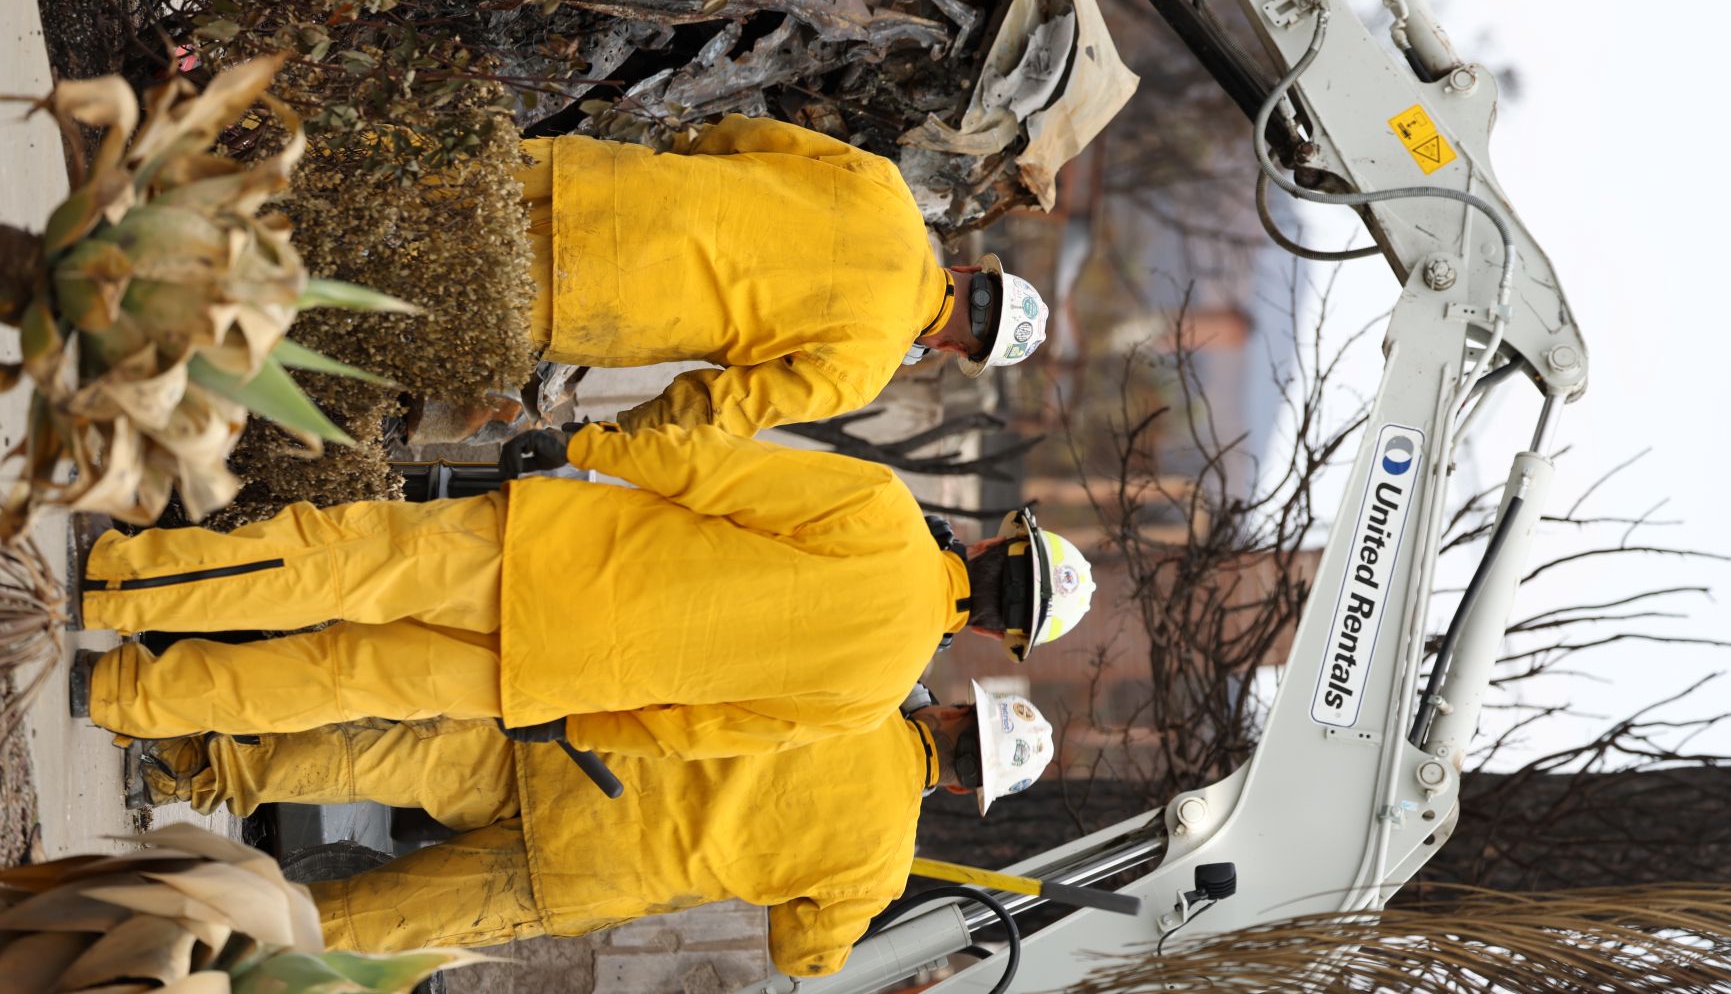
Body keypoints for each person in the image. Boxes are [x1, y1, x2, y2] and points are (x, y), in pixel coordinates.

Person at [72, 423, 1093, 753]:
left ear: (1005, 544)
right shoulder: (870, 699)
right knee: (338, 680)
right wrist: (578, 726)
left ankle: (115, 590)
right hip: (558, 672)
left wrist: (585, 442)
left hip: (549, 554)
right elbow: (698, 735)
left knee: (333, 562)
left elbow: (715, 469)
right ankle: (120, 697)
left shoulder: (878, 508)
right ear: (1004, 643)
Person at [132, 684, 1056, 978]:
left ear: (946, 716)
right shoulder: (883, 863)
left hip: (581, 754)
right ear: (970, 789)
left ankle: (189, 759)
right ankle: (192, 944)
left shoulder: (850, 693)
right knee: (369, 923)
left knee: (373, 754)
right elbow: (802, 955)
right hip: (587, 871)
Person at [519, 116, 1050, 436]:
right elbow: (715, 408)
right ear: (957, 350)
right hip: (582, 296)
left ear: (965, 269)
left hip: (596, 180)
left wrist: (681, 160)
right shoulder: (859, 373)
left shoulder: (887, 187)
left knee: (447, 174)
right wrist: (599, 442)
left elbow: (747, 135)